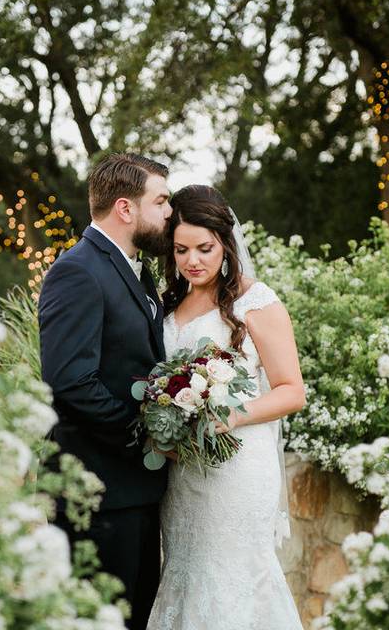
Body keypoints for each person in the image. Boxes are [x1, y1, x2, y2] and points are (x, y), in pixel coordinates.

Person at [146, 184, 305, 630]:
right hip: (184, 473)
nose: (192, 261)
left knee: (232, 578)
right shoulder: (168, 302)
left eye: (204, 248)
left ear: (226, 244)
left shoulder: (256, 302)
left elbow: (292, 389)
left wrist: (227, 416)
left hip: (238, 470)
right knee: (185, 574)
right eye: (181, 250)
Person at [38, 152, 173, 630]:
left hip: (131, 492)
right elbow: (70, 382)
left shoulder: (135, 271)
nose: (169, 212)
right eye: (160, 201)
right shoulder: (77, 271)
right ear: (125, 208)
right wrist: (147, 437)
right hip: (96, 493)